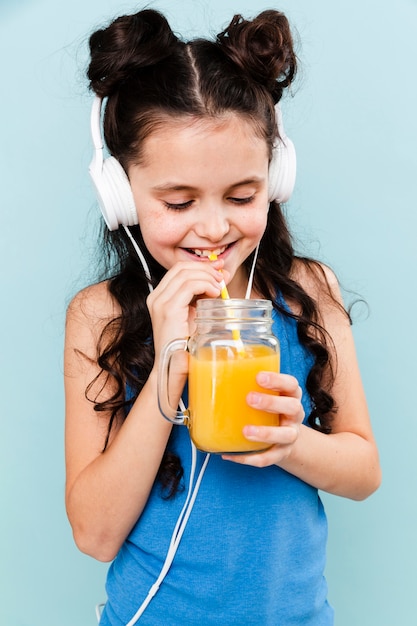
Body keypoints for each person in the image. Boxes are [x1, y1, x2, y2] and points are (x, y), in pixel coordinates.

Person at [64, 7, 381, 625]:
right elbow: (95, 536)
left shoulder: (307, 293)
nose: (213, 228)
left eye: (242, 196)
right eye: (178, 202)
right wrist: (170, 362)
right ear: (121, 191)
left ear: (275, 179)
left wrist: (289, 443)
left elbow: (363, 472)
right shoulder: (98, 316)